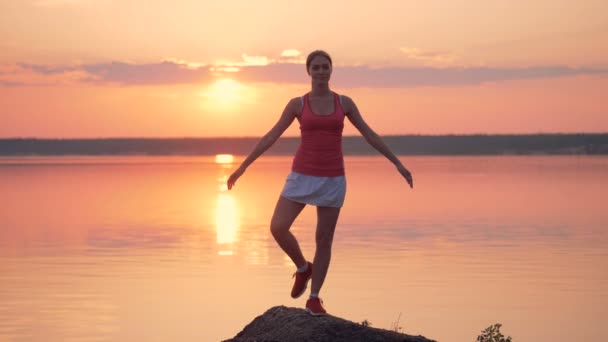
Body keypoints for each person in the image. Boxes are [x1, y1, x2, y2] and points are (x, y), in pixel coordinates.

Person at [227, 50, 413, 316]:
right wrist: (242, 167)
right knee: (278, 227)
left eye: (325, 67)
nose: (321, 71)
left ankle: (314, 298)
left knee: (323, 239)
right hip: (301, 175)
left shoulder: (344, 103)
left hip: (332, 178)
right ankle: (303, 268)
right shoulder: (297, 105)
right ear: (308, 71)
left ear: (331, 70)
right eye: (316, 67)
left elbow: (369, 134)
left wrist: (397, 163)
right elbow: (271, 136)